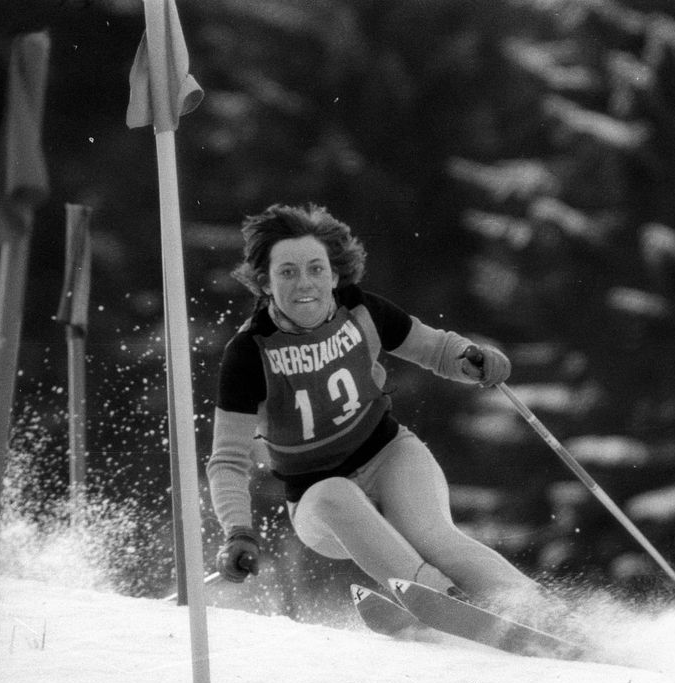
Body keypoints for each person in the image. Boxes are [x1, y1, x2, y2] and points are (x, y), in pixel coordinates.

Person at [206, 202, 546, 609]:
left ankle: (542, 611)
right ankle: (441, 599)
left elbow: (436, 349)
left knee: (430, 535)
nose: (304, 284)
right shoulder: (249, 352)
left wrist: (474, 359)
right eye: (287, 272)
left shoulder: (362, 311)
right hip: (317, 500)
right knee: (333, 492)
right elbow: (227, 460)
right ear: (264, 283)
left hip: (390, 455)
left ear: (333, 275)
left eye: (316, 269)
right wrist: (238, 531)